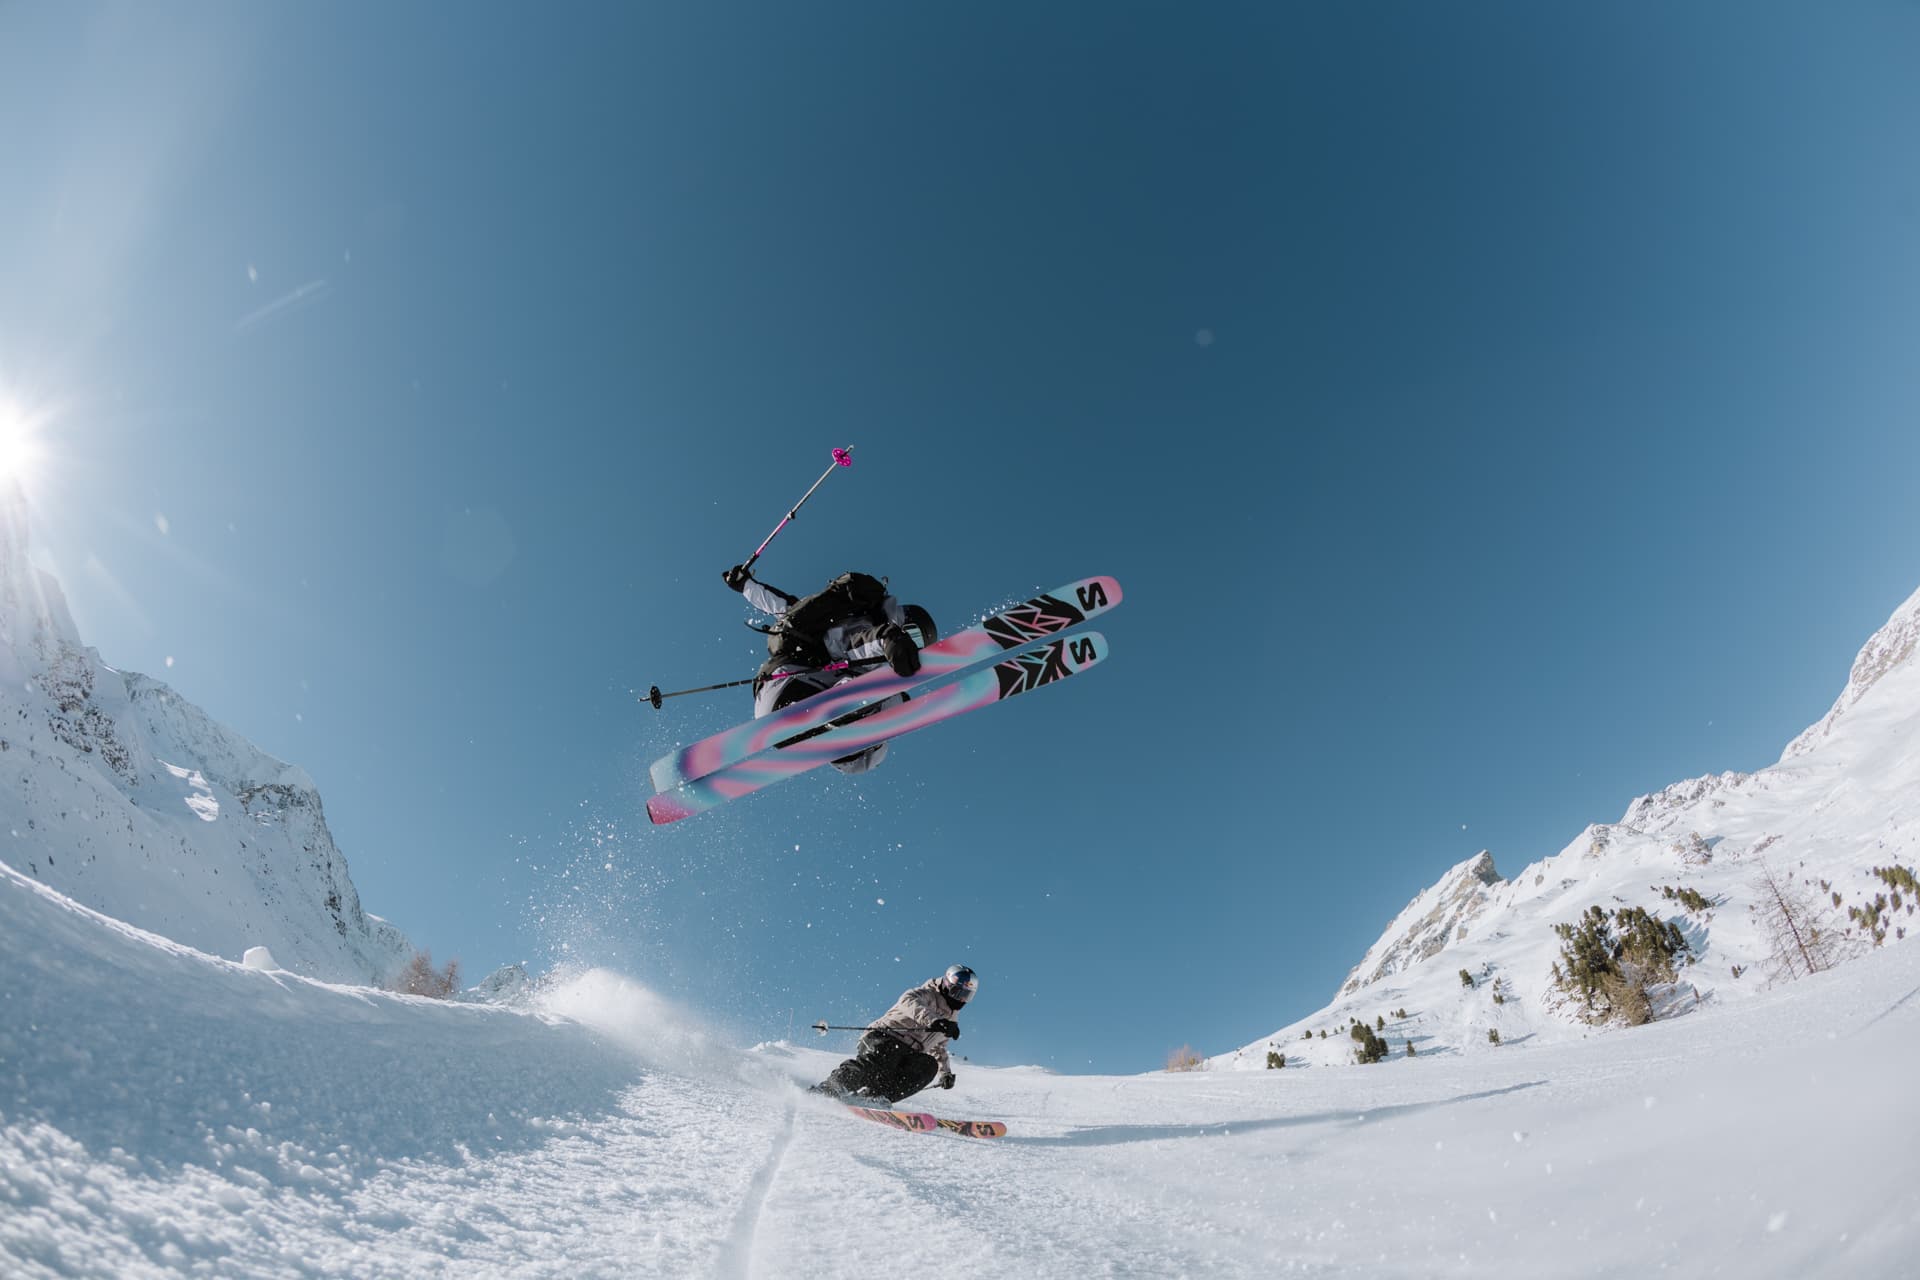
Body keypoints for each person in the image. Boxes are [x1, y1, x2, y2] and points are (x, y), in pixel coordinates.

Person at [722, 564, 938, 774]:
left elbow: (782, 608)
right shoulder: (872, 628)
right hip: (794, 688)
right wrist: (887, 640)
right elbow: (857, 644)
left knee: (882, 696)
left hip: (773, 701)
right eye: (913, 634)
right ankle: (845, 716)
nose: (912, 644)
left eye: (918, 642)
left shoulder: (821, 623)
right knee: (883, 694)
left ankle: (838, 725)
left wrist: (746, 585)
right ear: (904, 620)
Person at [811, 965, 978, 1104]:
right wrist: (933, 1021)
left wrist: (945, 1073)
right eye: (958, 993)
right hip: (884, 1036)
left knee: (928, 1066)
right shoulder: (927, 993)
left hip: (910, 1053)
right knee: (885, 1057)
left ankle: (874, 1097)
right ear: (947, 985)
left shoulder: (951, 1019)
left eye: (966, 996)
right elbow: (909, 1002)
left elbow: (939, 1047)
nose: (961, 1000)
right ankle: (832, 1087)